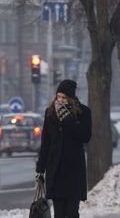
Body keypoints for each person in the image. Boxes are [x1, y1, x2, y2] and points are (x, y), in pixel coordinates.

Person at [35, 79, 92, 218]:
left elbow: (85, 137)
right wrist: (40, 169)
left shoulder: (83, 112)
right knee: (59, 213)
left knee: (72, 213)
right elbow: (46, 143)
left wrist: (68, 121)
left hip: (74, 171)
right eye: (58, 96)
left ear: (71, 98)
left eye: (64, 97)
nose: (60, 100)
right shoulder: (50, 113)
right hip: (56, 170)